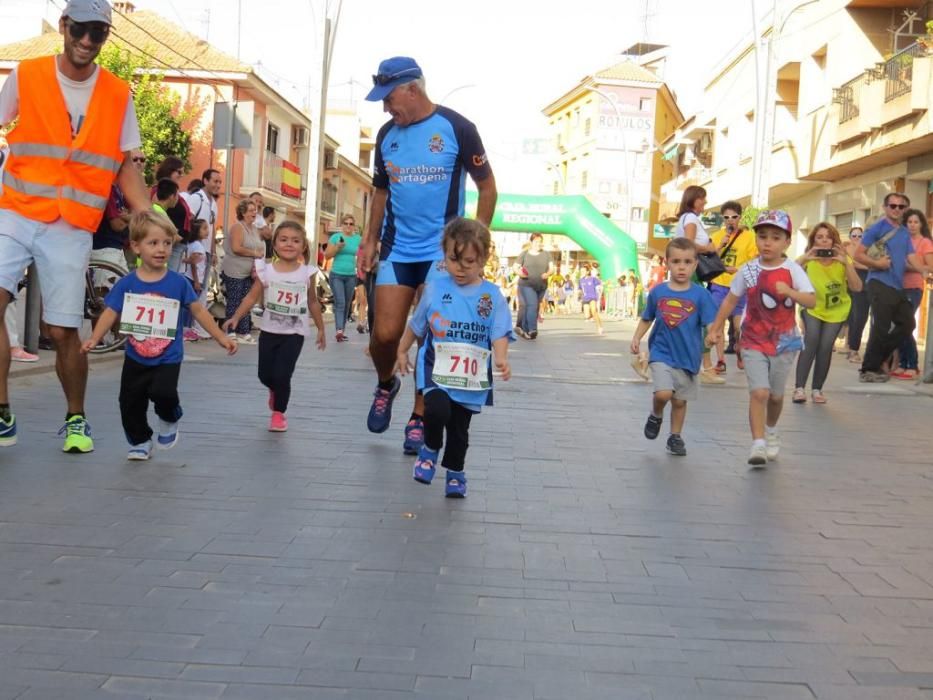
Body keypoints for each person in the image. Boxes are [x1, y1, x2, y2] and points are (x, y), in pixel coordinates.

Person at [0, 0, 153, 452]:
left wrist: (146, 215)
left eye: (98, 34)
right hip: (16, 208)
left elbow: (126, 165)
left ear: (106, 36)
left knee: (63, 329)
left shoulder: (118, 92)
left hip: (71, 223)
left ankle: (75, 419)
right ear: (64, 26)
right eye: (80, 30)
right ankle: (2, 410)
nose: (87, 41)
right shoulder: (27, 74)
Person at [359, 56, 497, 456]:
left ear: (412, 90)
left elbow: (488, 189)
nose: (387, 108)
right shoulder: (387, 135)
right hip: (398, 248)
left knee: (431, 336)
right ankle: (387, 383)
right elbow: (380, 194)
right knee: (383, 336)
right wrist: (369, 238)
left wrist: (475, 245)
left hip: (443, 255)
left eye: (389, 98)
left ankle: (418, 417)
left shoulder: (458, 128)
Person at [80, 211, 236, 459]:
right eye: (153, 243)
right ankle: (140, 441)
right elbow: (110, 312)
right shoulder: (127, 283)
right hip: (136, 356)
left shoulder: (178, 283)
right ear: (136, 246)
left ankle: (170, 416)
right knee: (129, 402)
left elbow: (199, 310)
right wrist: (94, 338)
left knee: (163, 393)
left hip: (168, 356)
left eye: (166, 242)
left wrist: (220, 336)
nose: (161, 249)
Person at [395, 218, 511, 498]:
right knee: (436, 411)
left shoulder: (492, 296)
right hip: (436, 366)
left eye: (469, 261)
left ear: (484, 258)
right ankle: (431, 446)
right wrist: (402, 350)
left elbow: (499, 331)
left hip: (471, 376)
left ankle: (456, 472)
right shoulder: (435, 289)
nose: (460, 268)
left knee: (460, 430)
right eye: (453, 260)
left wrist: (502, 357)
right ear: (444, 255)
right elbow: (417, 324)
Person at [707, 210, 816, 466]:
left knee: (776, 396)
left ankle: (771, 429)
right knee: (759, 392)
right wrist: (716, 327)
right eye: (763, 236)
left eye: (775, 237)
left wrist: (790, 291)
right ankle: (757, 443)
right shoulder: (749, 269)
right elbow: (731, 299)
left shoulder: (792, 270)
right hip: (753, 340)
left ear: (787, 242)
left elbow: (811, 300)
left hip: (785, 341)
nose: (768, 242)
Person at [224, 221, 326, 431]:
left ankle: (279, 414)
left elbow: (313, 301)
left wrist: (321, 328)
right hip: (270, 331)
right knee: (265, 375)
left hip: (294, 333)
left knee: (282, 375)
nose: (289, 244)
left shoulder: (307, 272)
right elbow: (251, 297)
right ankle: (275, 389)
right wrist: (235, 317)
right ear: (275, 245)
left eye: (295, 241)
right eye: (284, 239)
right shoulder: (266, 270)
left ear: (303, 246)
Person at [631, 238, 718, 457]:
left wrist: (713, 336)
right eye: (676, 261)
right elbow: (646, 318)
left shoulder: (701, 295)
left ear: (695, 265)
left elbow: (710, 322)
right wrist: (636, 338)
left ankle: (675, 436)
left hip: (688, 356)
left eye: (687, 262)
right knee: (663, 393)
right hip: (661, 353)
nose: (681, 266)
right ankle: (656, 413)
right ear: (667, 263)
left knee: (679, 401)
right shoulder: (658, 292)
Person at [853, 193, 929, 382]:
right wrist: (878, 264)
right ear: (885, 207)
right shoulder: (877, 228)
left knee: (908, 324)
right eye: (893, 206)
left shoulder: (903, 232)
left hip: (897, 285)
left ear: (905, 209)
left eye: (901, 207)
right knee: (881, 326)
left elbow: (911, 258)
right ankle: (868, 369)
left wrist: (926, 272)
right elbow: (858, 255)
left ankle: (876, 360)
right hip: (879, 282)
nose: (896, 209)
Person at [792, 222, 863, 404]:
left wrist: (845, 262)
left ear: (834, 240)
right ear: (814, 240)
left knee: (825, 346)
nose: (824, 241)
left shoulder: (842, 260)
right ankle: (799, 388)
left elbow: (857, 287)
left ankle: (817, 390)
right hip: (813, 307)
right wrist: (805, 258)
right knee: (812, 339)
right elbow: (786, 273)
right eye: (819, 237)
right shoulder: (809, 259)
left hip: (836, 310)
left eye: (828, 237)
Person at [674, 185, 724, 385]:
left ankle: (704, 364)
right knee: (707, 314)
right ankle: (707, 366)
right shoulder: (691, 219)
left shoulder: (687, 219)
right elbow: (688, 244)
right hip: (692, 273)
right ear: (693, 199)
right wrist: (707, 248)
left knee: (685, 316)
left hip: (690, 273)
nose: (705, 202)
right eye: (702, 198)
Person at [708, 201, 757, 373]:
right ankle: (721, 360)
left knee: (739, 327)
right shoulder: (716, 236)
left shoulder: (749, 237)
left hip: (740, 287)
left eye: (734, 217)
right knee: (718, 324)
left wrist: (738, 269)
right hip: (719, 285)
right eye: (726, 217)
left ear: (740, 217)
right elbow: (710, 258)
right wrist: (721, 244)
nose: (730, 221)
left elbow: (754, 261)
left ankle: (738, 347)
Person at [891, 209, 933, 379]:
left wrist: (911, 266)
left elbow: (930, 266)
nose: (913, 225)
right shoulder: (900, 241)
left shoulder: (925, 243)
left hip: (914, 287)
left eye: (916, 222)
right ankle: (902, 363)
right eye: (909, 222)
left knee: (905, 324)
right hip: (896, 286)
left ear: (921, 224)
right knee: (899, 325)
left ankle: (912, 364)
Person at [222, 199, 265, 344]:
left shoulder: (254, 229)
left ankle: (244, 331)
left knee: (247, 301)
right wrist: (254, 252)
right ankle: (231, 331)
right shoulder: (237, 227)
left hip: (249, 272)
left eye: (255, 210)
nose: (255, 213)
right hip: (234, 270)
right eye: (251, 210)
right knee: (234, 300)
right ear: (243, 212)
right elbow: (236, 248)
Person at [325, 214, 362, 342]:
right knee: (340, 302)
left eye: (351, 224)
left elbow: (362, 254)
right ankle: (339, 330)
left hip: (351, 275)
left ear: (354, 226)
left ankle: (342, 331)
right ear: (342, 225)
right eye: (346, 223)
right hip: (336, 275)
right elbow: (327, 256)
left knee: (347, 304)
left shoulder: (358, 239)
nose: (348, 226)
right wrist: (337, 247)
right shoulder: (336, 237)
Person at [514, 233, 553, 339]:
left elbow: (551, 268)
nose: (538, 244)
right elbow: (515, 267)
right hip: (526, 284)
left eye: (540, 242)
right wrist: (519, 273)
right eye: (536, 241)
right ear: (531, 242)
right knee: (532, 305)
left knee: (534, 308)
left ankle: (525, 329)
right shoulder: (524, 254)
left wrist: (548, 274)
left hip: (541, 285)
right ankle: (532, 329)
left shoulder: (546, 254)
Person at [843, 226, 869, 364]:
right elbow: (852, 264)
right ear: (850, 237)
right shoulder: (847, 250)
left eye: (860, 236)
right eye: (854, 236)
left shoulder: (866, 248)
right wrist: (872, 265)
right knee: (858, 318)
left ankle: (853, 348)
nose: (857, 238)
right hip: (857, 287)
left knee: (864, 318)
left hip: (871, 285)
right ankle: (853, 350)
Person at [182, 218, 209, 341]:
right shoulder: (197, 246)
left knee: (187, 305)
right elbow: (194, 263)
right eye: (204, 228)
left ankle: (186, 329)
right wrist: (197, 281)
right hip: (193, 279)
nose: (207, 231)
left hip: (189, 277)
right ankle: (186, 330)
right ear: (197, 231)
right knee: (191, 306)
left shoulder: (191, 244)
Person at [579, 265, 604, 335]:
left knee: (594, 311)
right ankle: (591, 317)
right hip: (585, 298)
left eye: (583, 271)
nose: (582, 272)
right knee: (587, 316)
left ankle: (599, 327)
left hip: (592, 297)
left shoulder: (593, 279)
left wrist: (603, 284)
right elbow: (580, 289)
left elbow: (600, 282)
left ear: (587, 272)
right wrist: (579, 296)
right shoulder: (581, 280)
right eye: (581, 271)